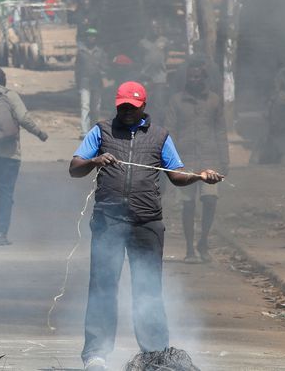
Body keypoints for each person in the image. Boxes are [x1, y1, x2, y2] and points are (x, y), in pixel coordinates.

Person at [69, 81, 225, 371]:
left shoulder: (160, 136)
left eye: (133, 106)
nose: (127, 111)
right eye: (123, 106)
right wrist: (94, 160)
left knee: (148, 289)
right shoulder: (101, 131)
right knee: (103, 286)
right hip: (109, 221)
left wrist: (200, 176)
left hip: (147, 222)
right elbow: (74, 167)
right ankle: (96, 354)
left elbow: (176, 175)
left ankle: (155, 356)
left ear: (144, 106)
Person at [0, 67, 48, 245]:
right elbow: (24, 118)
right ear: (4, 80)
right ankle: (1, 234)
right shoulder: (11, 96)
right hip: (9, 154)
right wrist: (40, 133)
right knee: (6, 194)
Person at [165, 58, 229, 263]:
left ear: (204, 78)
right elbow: (170, 131)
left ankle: (203, 241)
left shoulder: (214, 100)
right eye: (190, 76)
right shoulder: (176, 100)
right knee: (188, 204)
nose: (194, 80)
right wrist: (171, 160)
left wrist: (225, 160)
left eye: (197, 76)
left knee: (210, 200)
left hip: (211, 159)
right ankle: (190, 249)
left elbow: (220, 131)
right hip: (185, 161)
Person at [76, 29, 107, 134]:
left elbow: (105, 67)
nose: (91, 38)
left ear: (96, 38)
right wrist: (77, 85)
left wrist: (102, 69)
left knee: (96, 108)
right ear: (86, 38)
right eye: (89, 36)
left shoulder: (100, 52)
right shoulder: (81, 52)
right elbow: (77, 70)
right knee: (85, 107)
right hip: (84, 83)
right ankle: (84, 132)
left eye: (93, 36)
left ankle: (93, 130)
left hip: (97, 83)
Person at [138, 21, 170, 117]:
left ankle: (159, 124)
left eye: (157, 27)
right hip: (146, 76)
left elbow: (167, 54)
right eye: (153, 28)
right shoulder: (143, 42)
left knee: (159, 102)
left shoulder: (164, 40)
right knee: (144, 102)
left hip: (160, 76)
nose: (155, 30)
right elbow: (139, 57)